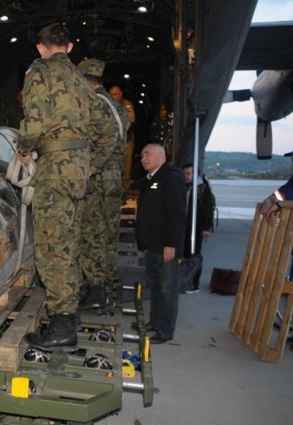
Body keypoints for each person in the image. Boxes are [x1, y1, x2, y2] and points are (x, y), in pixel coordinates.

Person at [16, 22, 95, 352]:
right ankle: (70, 313)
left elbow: (35, 120)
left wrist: (23, 147)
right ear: (70, 47)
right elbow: (96, 122)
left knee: (51, 248)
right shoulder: (80, 77)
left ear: (40, 47)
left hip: (55, 169)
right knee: (70, 241)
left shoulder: (40, 71)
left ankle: (62, 325)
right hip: (79, 169)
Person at [76, 58, 127, 311]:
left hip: (97, 181)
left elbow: (102, 141)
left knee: (91, 235)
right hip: (114, 179)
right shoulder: (117, 107)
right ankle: (106, 286)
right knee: (106, 236)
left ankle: (96, 290)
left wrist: (90, 166)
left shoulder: (94, 103)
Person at [135, 143, 186, 344]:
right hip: (153, 245)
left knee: (167, 288)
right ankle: (155, 322)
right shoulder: (151, 179)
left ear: (160, 155)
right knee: (155, 286)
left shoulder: (171, 178)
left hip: (166, 247)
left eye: (147, 154)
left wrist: (171, 243)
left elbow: (177, 214)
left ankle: (165, 330)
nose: (143, 159)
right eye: (141, 156)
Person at [182, 163, 215, 293]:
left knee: (194, 256)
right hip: (185, 227)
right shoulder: (186, 187)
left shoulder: (202, 188)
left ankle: (194, 284)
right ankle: (186, 280)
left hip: (196, 228)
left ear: (196, 174)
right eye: (184, 174)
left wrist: (206, 227)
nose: (186, 176)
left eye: (188, 174)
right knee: (186, 255)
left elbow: (208, 209)